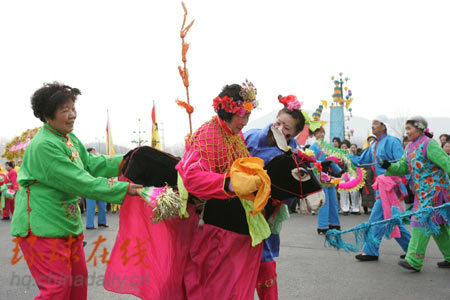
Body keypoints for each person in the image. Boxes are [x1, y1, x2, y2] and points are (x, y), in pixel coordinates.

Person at [10, 82, 142, 300]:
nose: (72, 115)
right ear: (47, 116)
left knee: (77, 286)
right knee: (57, 290)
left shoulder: (68, 138)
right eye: (65, 110)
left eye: (73, 108)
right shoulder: (44, 145)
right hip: (41, 225)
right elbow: (80, 181)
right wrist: (124, 188)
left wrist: (127, 161)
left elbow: (91, 163)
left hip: (67, 224)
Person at [176, 81, 264, 299]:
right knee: (211, 285)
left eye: (248, 116)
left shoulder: (237, 135)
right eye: (241, 115)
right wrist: (229, 183)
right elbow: (192, 178)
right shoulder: (206, 135)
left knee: (235, 283)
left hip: (234, 223)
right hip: (210, 225)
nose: (244, 122)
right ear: (227, 110)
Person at [245, 94, 304, 300]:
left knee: (265, 257)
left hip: (269, 209)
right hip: (240, 206)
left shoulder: (294, 150)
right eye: (278, 122)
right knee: (238, 259)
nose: (280, 128)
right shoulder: (251, 136)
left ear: (295, 133)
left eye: (287, 128)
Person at [383, 116, 449, 271]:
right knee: (437, 226)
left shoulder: (429, 144)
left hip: (435, 192)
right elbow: (403, 167)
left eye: (409, 129)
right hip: (422, 194)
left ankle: (413, 259)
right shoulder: (410, 147)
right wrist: (389, 166)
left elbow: (446, 162)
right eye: (406, 129)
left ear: (420, 129)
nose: (407, 132)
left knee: (420, 221)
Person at [351, 115, 411, 261]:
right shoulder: (373, 145)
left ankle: (370, 250)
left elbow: (403, 164)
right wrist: (341, 155)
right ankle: (412, 249)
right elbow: (360, 161)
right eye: (372, 124)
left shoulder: (393, 141)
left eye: (375, 124)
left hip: (391, 186)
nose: (372, 127)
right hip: (380, 186)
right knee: (392, 220)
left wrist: (409, 183)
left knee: (376, 218)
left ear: (384, 126)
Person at [310, 127, 342, 234]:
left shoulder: (327, 148)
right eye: (318, 132)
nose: (321, 134)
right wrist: (322, 163)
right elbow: (311, 162)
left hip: (330, 177)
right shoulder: (312, 147)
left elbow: (332, 160)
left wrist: (339, 170)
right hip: (320, 177)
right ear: (315, 134)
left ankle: (334, 224)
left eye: (323, 132)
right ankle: (323, 226)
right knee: (325, 202)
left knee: (333, 201)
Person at [84, 147, 108, 229]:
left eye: (95, 152)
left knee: (102, 206)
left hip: (100, 188)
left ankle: (102, 222)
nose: (94, 153)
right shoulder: (85, 164)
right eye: (92, 152)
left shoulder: (99, 163)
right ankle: (89, 225)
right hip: (90, 188)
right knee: (91, 207)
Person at [339, 142, 361, 215]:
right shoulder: (345, 156)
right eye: (351, 147)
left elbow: (358, 163)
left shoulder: (359, 157)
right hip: (346, 174)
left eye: (354, 147)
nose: (353, 149)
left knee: (355, 192)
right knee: (344, 192)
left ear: (356, 149)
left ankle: (355, 209)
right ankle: (345, 209)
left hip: (355, 174)